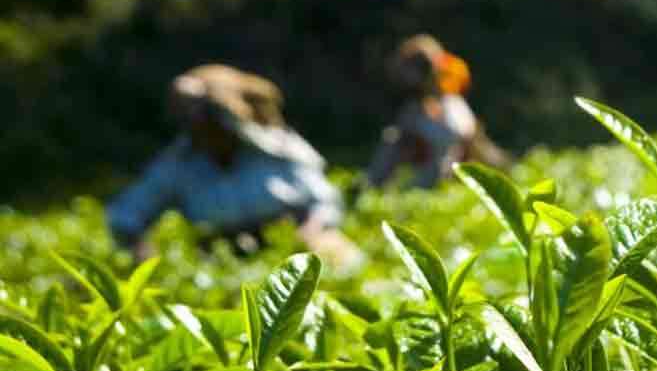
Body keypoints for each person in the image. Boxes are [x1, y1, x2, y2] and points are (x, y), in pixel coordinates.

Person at [107, 64, 359, 266]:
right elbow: (126, 216)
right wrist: (144, 254)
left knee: (339, 258)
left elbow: (323, 200)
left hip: (294, 250)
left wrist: (310, 232)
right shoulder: (179, 165)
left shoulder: (276, 148)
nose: (202, 128)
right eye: (192, 120)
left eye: (209, 119)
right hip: (221, 260)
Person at [367, 35, 510, 188]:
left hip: (460, 161)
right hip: (430, 155)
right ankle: (370, 185)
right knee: (392, 139)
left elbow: (459, 139)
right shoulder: (411, 107)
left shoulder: (450, 104)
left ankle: (423, 187)